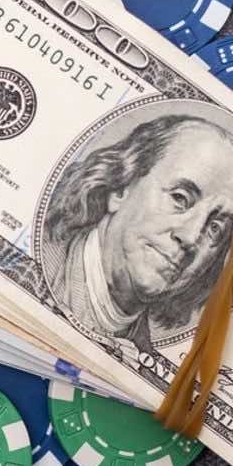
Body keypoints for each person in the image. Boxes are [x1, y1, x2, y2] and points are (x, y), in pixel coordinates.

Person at [44, 114, 233, 350]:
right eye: (179, 198)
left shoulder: (145, 357)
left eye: (215, 228)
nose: (190, 237)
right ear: (121, 187)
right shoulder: (39, 266)